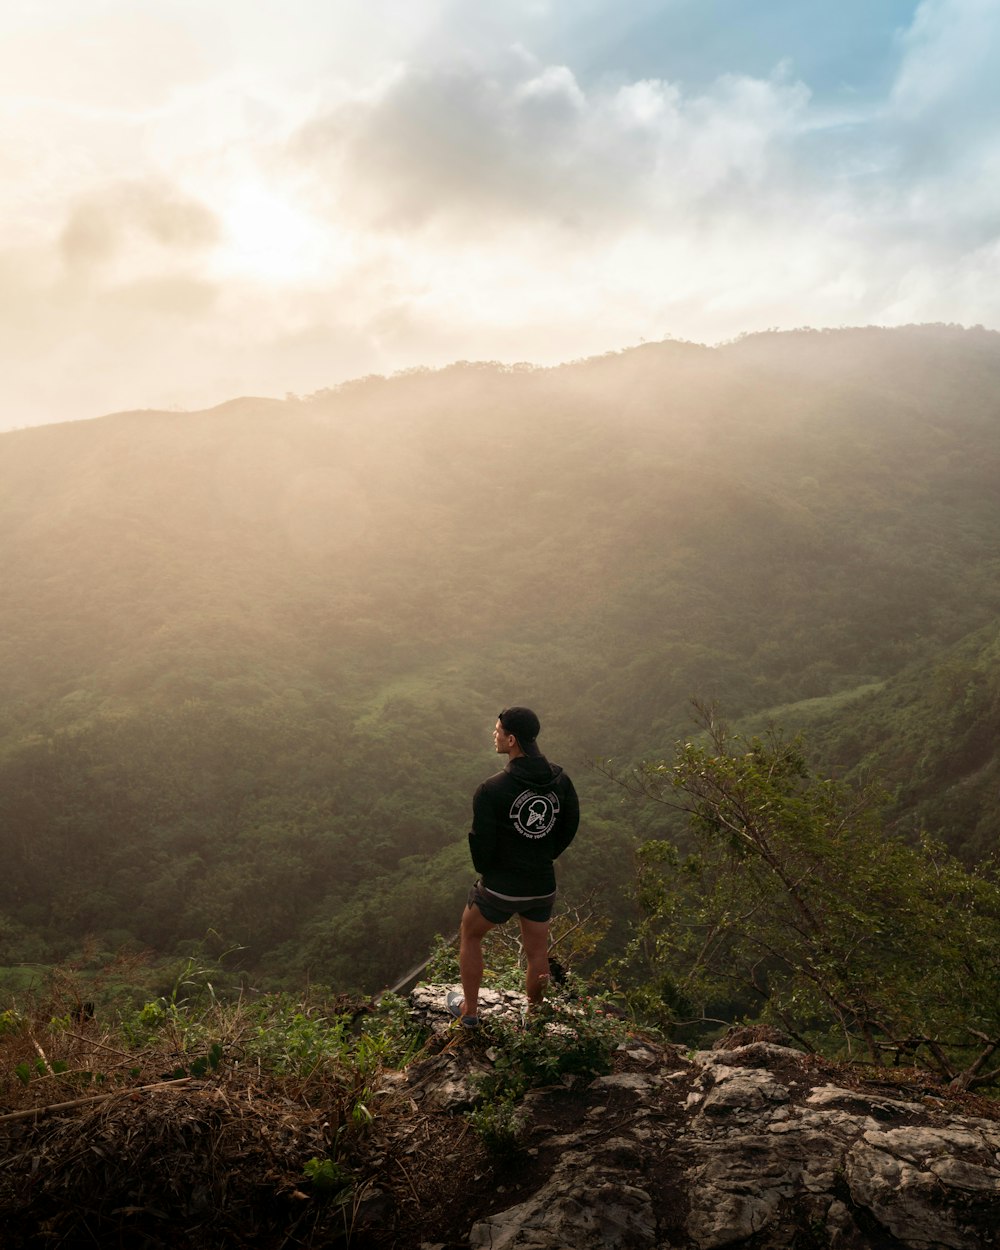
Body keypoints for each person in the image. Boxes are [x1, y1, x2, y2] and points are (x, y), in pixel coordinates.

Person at [447, 706, 579, 1027]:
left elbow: (482, 843)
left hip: (501, 886)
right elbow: (569, 825)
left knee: (470, 934)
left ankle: (470, 1012)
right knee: (537, 951)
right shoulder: (560, 780)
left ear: (512, 739)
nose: (494, 735)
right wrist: (544, 855)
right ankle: (533, 1017)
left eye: (497, 731)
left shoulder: (492, 789)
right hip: (541, 884)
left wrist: (490, 875)